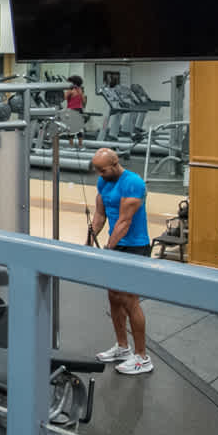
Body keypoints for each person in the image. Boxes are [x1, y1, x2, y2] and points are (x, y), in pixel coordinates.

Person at [89, 148, 153, 376]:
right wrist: (88, 242)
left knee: (129, 300)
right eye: (97, 170)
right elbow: (100, 215)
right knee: (114, 297)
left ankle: (142, 357)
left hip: (135, 246)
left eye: (103, 170)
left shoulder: (133, 183)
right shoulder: (104, 182)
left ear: (115, 164)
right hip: (116, 245)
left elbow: (124, 222)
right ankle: (123, 348)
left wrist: (108, 249)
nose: (100, 174)